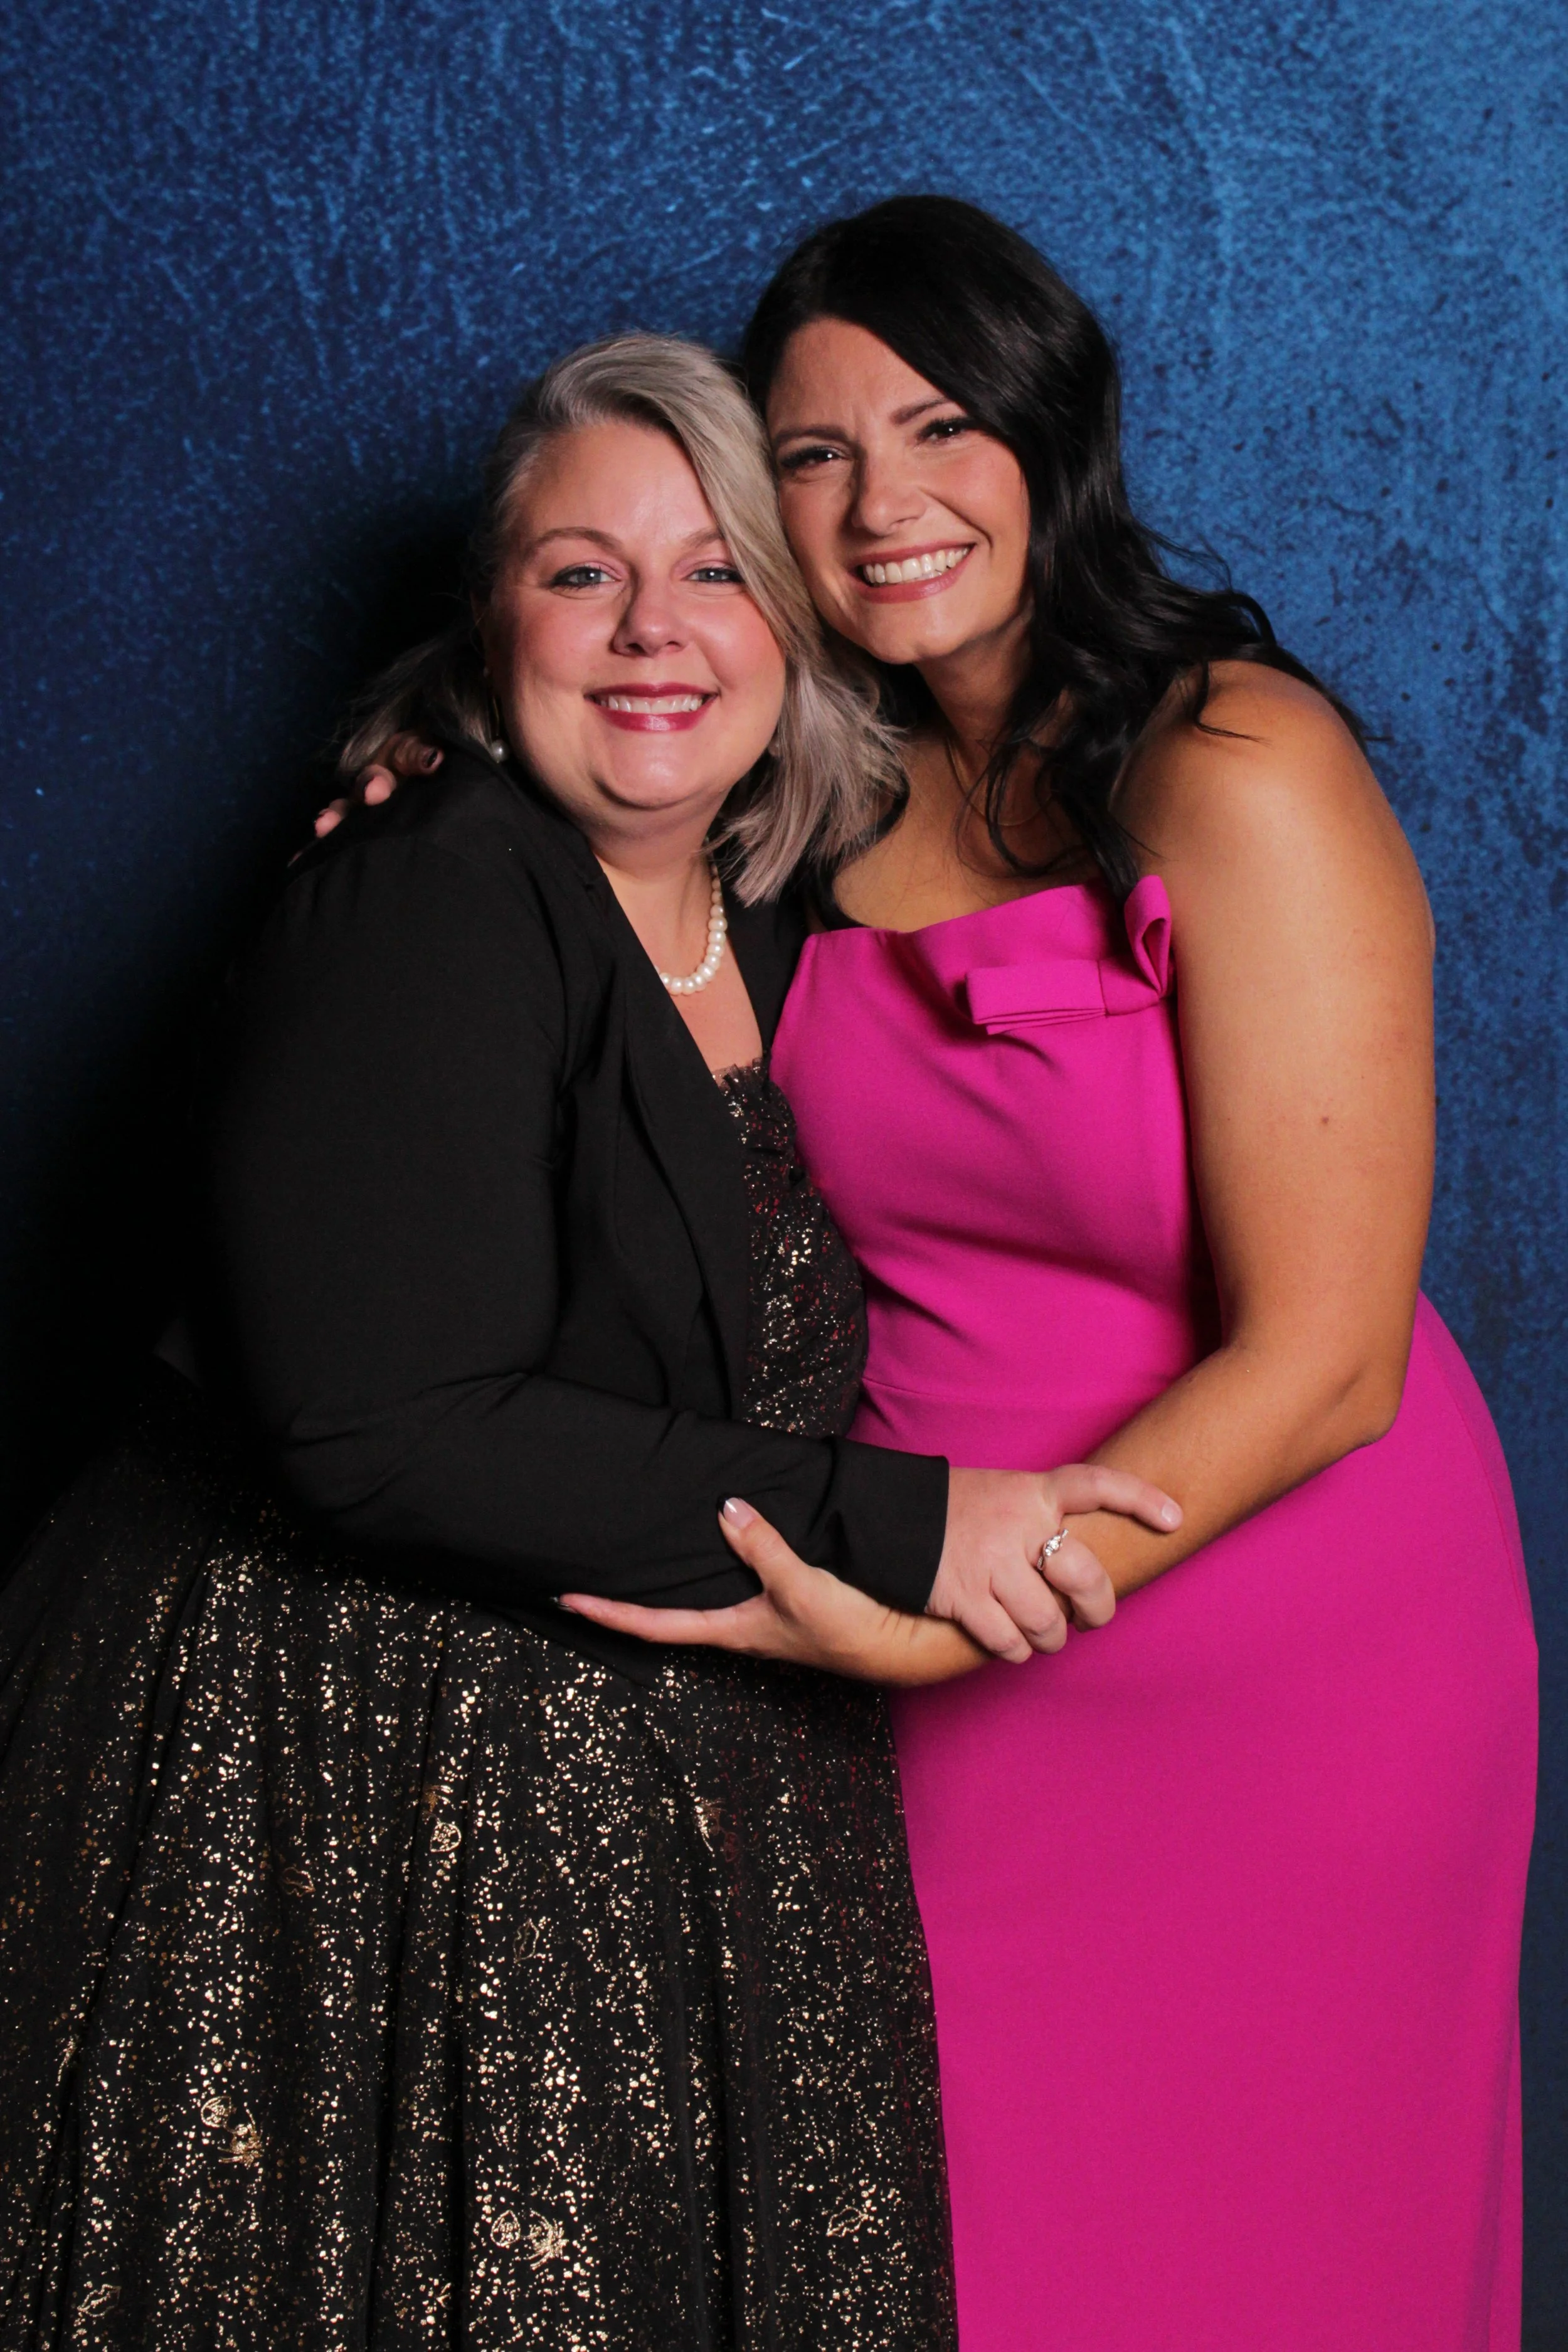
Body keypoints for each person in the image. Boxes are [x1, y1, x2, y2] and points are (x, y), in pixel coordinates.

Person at [0, 329, 1179, 2349]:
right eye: (578, 571)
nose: (651, 629)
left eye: (715, 566)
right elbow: (383, 1422)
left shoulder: (773, 904)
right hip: (341, 1802)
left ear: (797, 626)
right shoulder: (428, 888)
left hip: (665, 1782)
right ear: (491, 619)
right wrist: (906, 1523)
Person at [499, 204, 1537, 2348]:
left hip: (1263, 1655)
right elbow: (595, 807)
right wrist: (429, 759)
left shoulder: (1232, 768)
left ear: (1046, 435)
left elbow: (1334, 1358)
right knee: (942, 2253)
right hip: (925, 1645)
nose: (881, 507)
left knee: (1264, 2258)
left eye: (938, 425)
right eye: (808, 454)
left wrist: (937, 1616)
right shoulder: (806, 790)